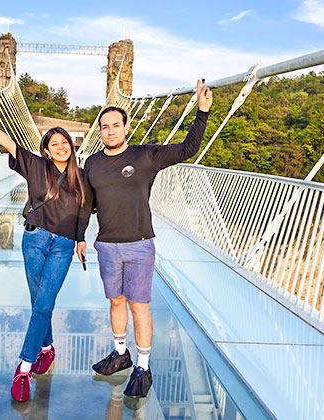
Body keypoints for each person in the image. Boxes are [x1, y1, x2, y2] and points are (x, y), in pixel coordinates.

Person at [76, 80, 212, 398]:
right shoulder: (92, 163)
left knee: (139, 306)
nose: (110, 131)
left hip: (139, 244)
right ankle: (121, 353)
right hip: (107, 244)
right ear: (100, 131)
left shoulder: (146, 155)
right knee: (116, 301)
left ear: (126, 127)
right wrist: (80, 236)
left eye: (115, 125)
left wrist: (202, 112)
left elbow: (187, 149)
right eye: (104, 127)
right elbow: (85, 202)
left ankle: (143, 366)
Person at [0, 94, 87, 402]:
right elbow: (7, 140)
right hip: (34, 240)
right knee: (39, 301)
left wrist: (81, 239)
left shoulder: (82, 176)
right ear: (45, 149)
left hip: (63, 246)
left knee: (43, 303)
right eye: (54, 144)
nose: (61, 147)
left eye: (64, 142)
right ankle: (47, 347)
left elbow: (84, 211)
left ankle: (24, 368)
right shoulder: (34, 165)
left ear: (71, 145)